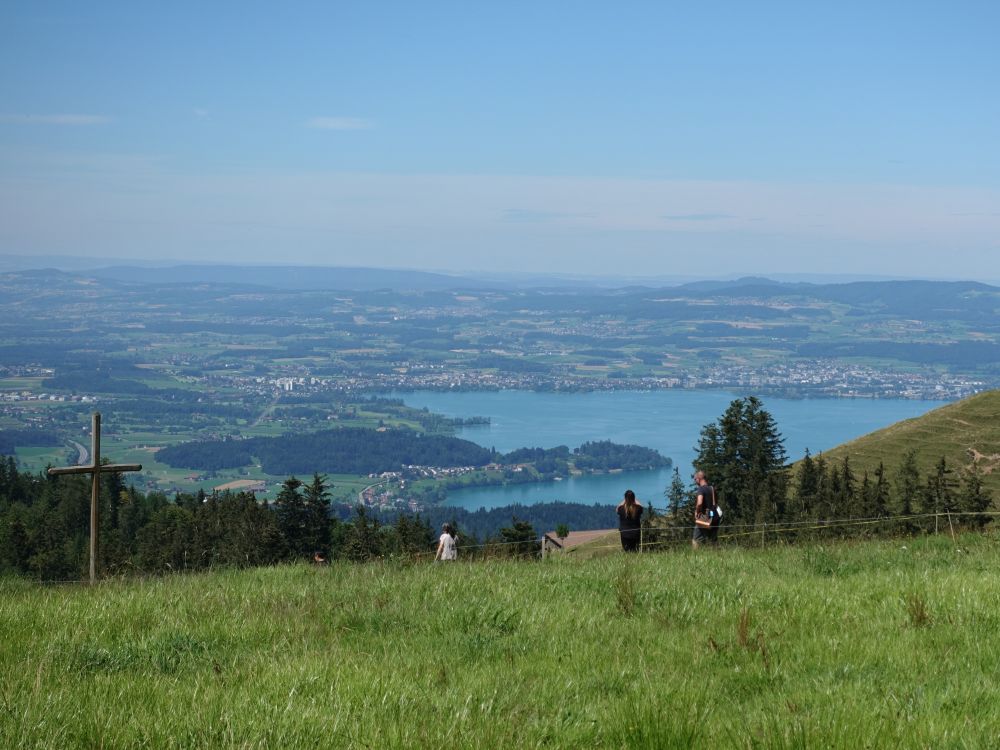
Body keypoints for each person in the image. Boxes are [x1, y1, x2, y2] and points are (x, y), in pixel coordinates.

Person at [692, 470, 720, 548]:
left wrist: (697, 512)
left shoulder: (701, 489)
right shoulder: (712, 488)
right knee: (713, 540)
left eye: (695, 479)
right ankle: (718, 556)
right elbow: (715, 503)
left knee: (696, 539)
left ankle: (695, 557)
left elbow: (700, 503)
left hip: (704, 518)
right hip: (714, 518)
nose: (695, 481)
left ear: (699, 478)